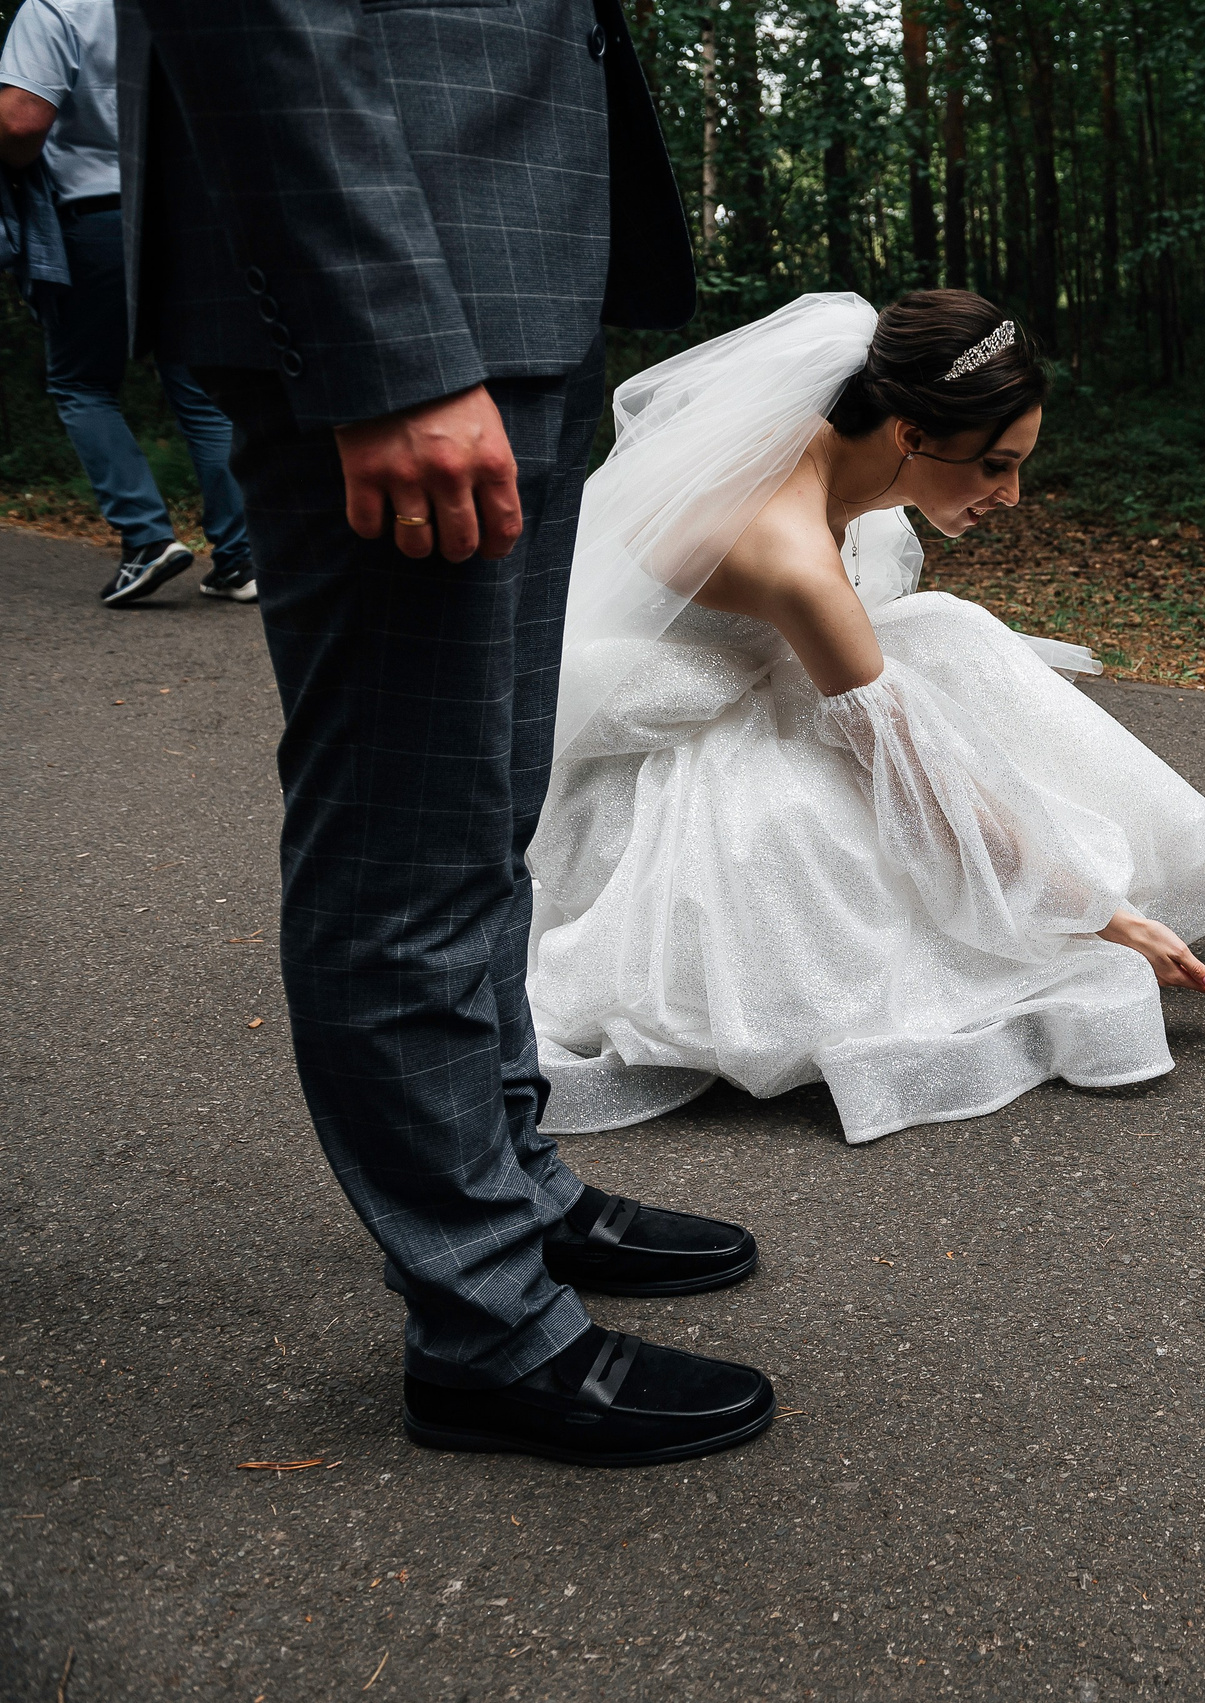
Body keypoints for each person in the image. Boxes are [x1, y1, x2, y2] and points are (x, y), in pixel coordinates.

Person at [123, 0, 779, 1469]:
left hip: (498, 263)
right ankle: (488, 1326)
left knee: (482, 799)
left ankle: (512, 1190)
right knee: (403, 832)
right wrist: (390, 349)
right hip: (397, 294)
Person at [529, 289, 1205, 1143]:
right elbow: (919, 776)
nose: (1015, 494)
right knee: (817, 827)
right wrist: (1101, 913)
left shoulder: (830, 435)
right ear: (911, 434)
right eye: (995, 464)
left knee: (950, 635)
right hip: (661, 764)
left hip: (775, 670)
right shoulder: (792, 556)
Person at [0, 0, 255, 605]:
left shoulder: (57, 5)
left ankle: (146, 539)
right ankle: (242, 559)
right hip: (190, 214)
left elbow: (19, 123)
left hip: (99, 218)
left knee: (81, 382)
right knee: (199, 387)